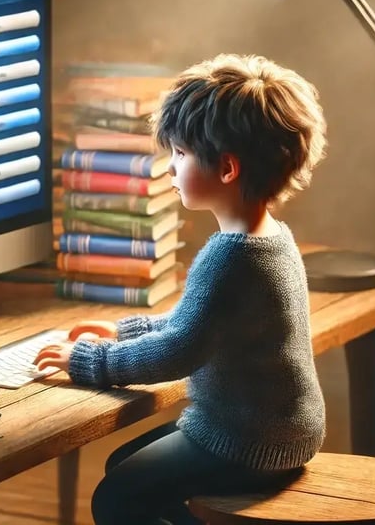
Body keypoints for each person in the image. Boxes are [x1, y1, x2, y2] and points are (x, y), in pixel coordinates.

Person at [34, 53, 329, 525]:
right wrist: (123, 331)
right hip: (284, 431)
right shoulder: (272, 238)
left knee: (115, 499)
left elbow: (179, 350)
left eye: (180, 154)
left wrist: (89, 361)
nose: (169, 168)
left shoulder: (230, 256)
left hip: (246, 442)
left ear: (227, 169)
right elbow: (203, 323)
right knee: (122, 470)